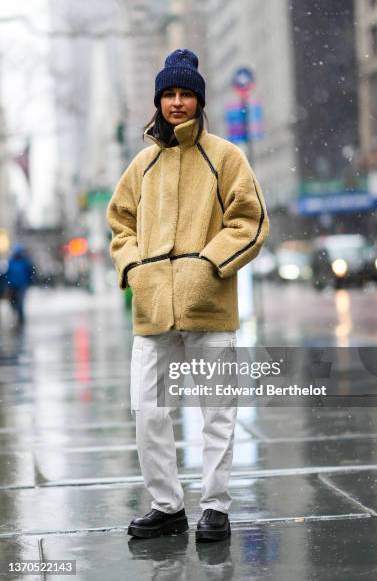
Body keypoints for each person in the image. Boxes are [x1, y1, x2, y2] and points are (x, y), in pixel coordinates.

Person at [106, 49, 269, 541]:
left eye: (186, 94)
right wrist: (135, 268)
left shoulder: (224, 156)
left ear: (199, 100)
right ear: (158, 100)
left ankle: (215, 505)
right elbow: (119, 222)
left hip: (209, 305)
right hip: (154, 310)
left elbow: (251, 220)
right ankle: (167, 506)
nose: (177, 102)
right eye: (170, 94)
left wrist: (207, 266)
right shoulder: (143, 164)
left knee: (216, 411)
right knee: (148, 410)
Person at [5, 243, 35, 327]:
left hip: (22, 285)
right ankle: (16, 314)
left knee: (20, 302)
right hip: (12, 285)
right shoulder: (11, 262)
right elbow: (7, 273)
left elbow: (30, 273)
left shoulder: (25, 262)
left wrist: (30, 282)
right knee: (12, 302)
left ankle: (21, 318)